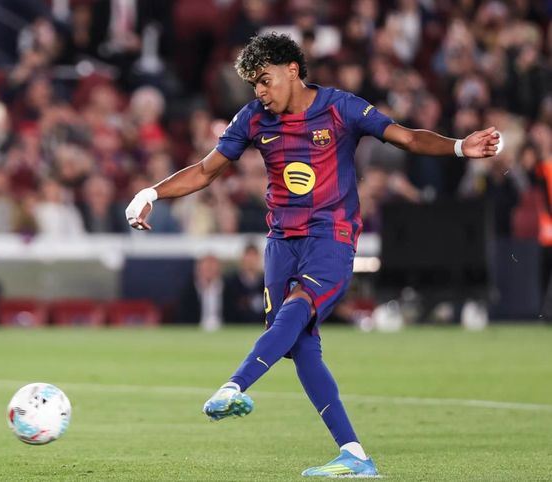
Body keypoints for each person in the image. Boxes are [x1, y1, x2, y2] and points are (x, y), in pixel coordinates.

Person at [124, 33, 501, 477]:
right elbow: (207, 170)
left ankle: (233, 386)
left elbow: (406, 137)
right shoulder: (253, 118)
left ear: (292, 70)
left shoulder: (340, 107)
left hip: (331, 236)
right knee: (301, 344)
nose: (260, 92)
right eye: (254, 84)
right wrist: (151, 193)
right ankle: (354, 455)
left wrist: (459, 146)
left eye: (265, 80)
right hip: (281, 241)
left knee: (299, 306)